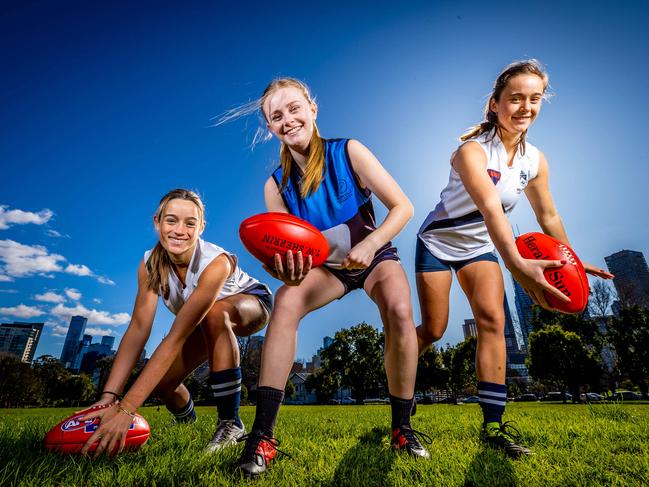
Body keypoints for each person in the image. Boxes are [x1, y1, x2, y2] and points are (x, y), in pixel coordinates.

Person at [415, 60, 614, 458]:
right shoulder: (471, 152)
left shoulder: (535, 160)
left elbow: (548, 216)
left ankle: (492, 427)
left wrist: (570, 261)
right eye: (516, 98)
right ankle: (399, 365)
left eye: (534, 99)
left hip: (482, 247)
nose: (525, 107)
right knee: (435, 330)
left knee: (493, 322)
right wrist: (516, 265)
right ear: (495, 104)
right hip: (439, 242)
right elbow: (491, 209)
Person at [233, 78, 429, 478]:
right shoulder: (276, 186)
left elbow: (402, 207)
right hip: (326, 269)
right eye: (276, 116)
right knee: (286, 300)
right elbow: (280, 254)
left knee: (398, 308)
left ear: (312, 108)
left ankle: (402, 427)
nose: (287, 120)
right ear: (270, 128)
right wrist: (281, 269)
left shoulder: (349, 151)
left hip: (372, 256)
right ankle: (262, 437)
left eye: (293, 108)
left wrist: (371, 245)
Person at [79, 188, 272, 457]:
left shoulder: (215, 262)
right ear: (157, 222)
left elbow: (176, 336)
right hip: (205, 322)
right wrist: (109, 397)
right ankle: (186, 421)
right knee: (162, 385)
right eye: (171, 220)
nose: (180, 230)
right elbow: (137, 329)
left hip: (251, 304)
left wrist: (127, 409)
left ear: (201, 227)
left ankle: (230, 423)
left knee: (217, 313)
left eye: (190, 223)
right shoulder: (148, 265)